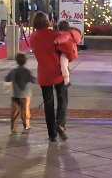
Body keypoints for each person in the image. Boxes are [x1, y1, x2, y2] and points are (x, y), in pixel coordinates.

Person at [30, 11, 77, 142]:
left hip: (44, 74)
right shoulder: (55, 35)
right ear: (47, 21)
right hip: (58, 73)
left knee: (48, 104)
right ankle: (60, 124)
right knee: (63, 100)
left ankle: (52, 134)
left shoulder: (33, 37)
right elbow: (69, 51)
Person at [4, 53, 35, 134]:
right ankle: (26, 124)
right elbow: (33, 80)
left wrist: (7, 88)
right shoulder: (27, 71)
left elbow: (7, 79)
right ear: (25, 61)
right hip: (25, 95)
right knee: (25, 111)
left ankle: (13, 127)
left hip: (15, 94)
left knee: (15, 111)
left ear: (16, 61)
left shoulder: (14, 71)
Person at [56, 20, 77, 87]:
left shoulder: (65, 34)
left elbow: (64, 38)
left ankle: (66, 81)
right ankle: (66, 79)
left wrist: (57, 41)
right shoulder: (69, 33)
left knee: (63, 66)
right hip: (70, 51)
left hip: (66, 52)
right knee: (65, 65)